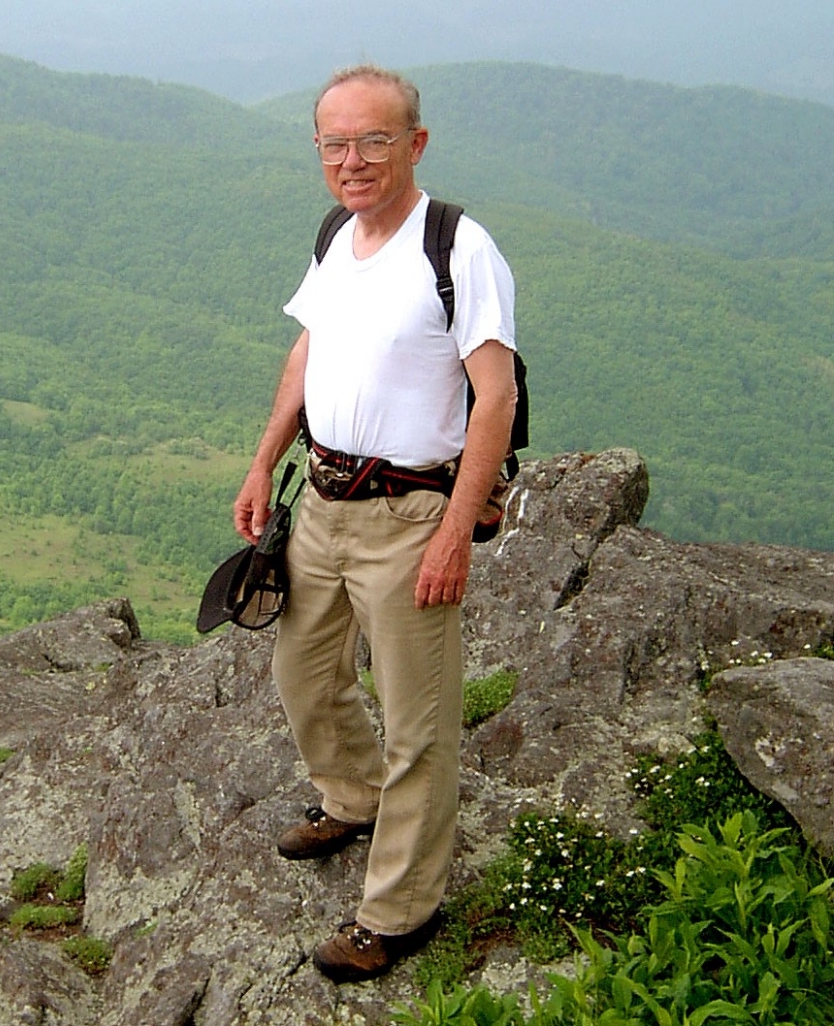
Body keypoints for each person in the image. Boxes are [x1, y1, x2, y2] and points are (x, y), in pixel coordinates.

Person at [233, 64, 518, 983]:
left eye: (373, 141)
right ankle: (351, 799)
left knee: (419, 717)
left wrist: (454, 530)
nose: (351, 160)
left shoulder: (458, 248)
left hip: (410, 511)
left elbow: (495, 397)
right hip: (322, 500)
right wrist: (264, 459)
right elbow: (306, 352)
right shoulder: (337, 236)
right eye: (334, 143)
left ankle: (399, 909)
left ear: (415, 145)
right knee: (305, 674)